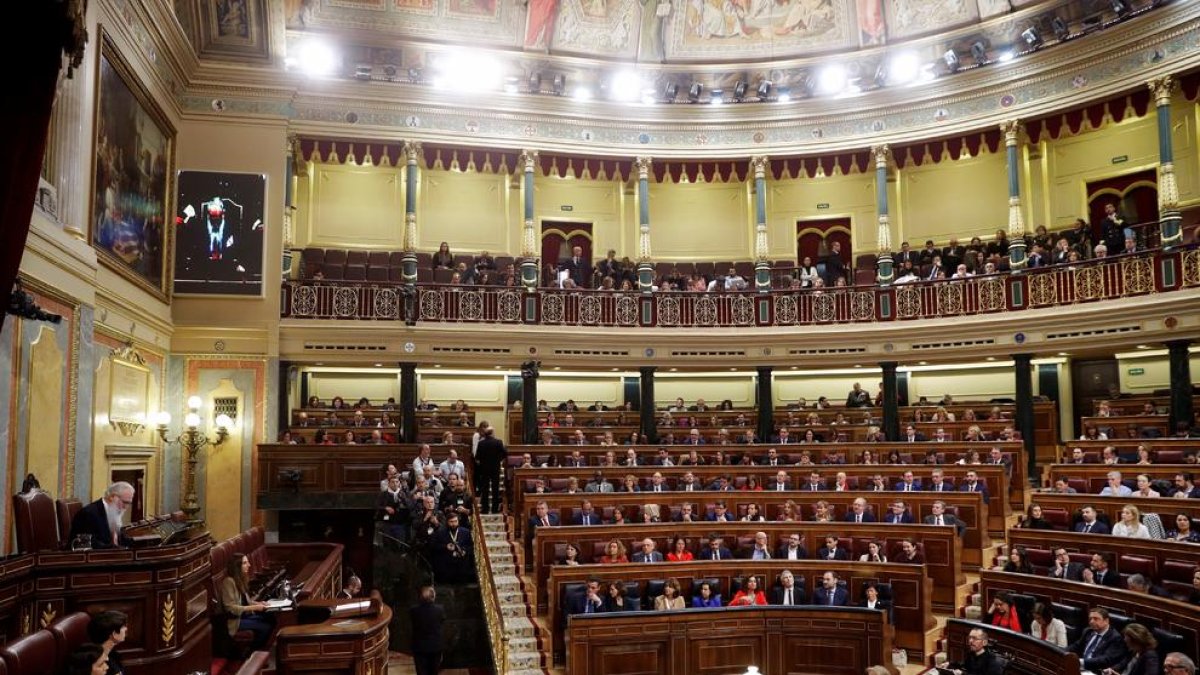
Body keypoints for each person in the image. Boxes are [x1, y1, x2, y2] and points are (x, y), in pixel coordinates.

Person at [219, 552, 275, 651]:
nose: (249, 565)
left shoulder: (241, 579)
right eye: (245, 563)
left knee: (271, 618)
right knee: (264, 627)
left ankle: (261, 650)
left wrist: (259, 603)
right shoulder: (228, 582)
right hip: (235, 621)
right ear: (237, 567)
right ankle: (253, 653)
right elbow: (231, 608)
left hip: (245, 616)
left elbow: (246, 601)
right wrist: (254, 607)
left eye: (248, 562)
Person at [69, 481, 134, 549]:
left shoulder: (112, 512)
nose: (126, 507)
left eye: (129, 503)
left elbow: (119, 540)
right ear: (112, 497)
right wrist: (115, 549)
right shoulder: (89, 513)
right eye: (125, 502)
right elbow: (89, 544)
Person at [1069, 607, 1129, 673]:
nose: (1091, 622)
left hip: (1095, 671)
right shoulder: (1088, 631)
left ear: (1106, 621)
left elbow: (1105, 660)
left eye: (1096, 619)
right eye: (1090, 619)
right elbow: (1076, 646)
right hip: (1080, 667)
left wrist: (1080, 662)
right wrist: (1062, 652)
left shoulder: (1115, 638)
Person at [941, 627, 1006, 675]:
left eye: (974, 638)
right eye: (970, 638)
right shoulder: (971, 654)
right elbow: (963, 665)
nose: (970, 641)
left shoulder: (992, 660)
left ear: (984, 642)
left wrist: (963, 674)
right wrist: (949, 664)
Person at [411, 585, 445, 675]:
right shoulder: (440, 610)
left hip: (420, 647)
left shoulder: (414, 610)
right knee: (434, 672)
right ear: (433, 597)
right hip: (435, 647)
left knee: (421, 672)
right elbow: (442, 622)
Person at [474, 423, 506, 514]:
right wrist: (499, 460)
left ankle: (485, 509)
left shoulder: (481, 443)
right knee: (495, 489)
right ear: (492, 433)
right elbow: (505, 453)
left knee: (485, 489)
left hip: (484, 469)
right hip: (495, 468)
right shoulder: (498, 442)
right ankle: (495, 509)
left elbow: (477, 457)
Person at [87, 610, 127, 675]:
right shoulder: (100, 666)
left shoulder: (113, 655)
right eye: (123, 626)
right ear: (114, 634)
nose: (126, 628)